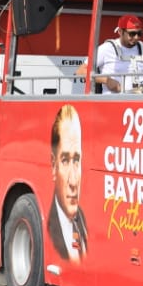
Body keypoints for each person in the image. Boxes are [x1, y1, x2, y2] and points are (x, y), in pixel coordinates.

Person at [45, 105, 87, 263]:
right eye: (65, 160)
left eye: (76, 160)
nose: (73, 181)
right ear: (54, 165)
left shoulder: (83, 224)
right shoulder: (50, 226)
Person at [94, 15, 143, 94]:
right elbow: (81, 71)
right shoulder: (106, 48)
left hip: (140, 101)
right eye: (132, 34)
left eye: (139, 33)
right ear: (120, 32)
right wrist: (106, 80)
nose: (136, 37)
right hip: (113, 101)